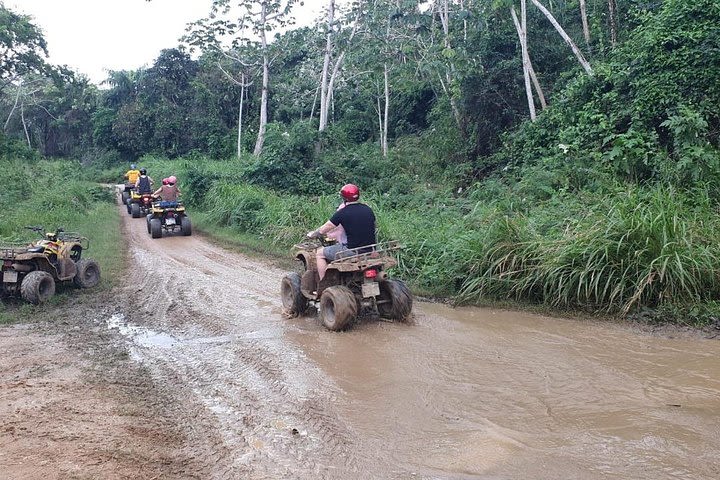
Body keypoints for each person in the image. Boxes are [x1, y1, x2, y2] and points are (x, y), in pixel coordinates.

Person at [307, 183, 376, 280]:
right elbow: (373, 227)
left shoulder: (342, 213)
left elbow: (324, 229)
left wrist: (313, 234)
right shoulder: (368, 209)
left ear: (344, 198)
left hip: (352, 251)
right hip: (370, 250)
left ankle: (324, 283)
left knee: (319, 254)